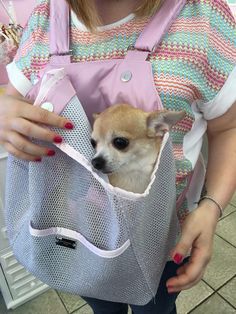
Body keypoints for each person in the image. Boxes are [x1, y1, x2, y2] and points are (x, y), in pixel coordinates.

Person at [0, 0, 235, 313]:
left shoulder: (202, 17)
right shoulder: (44, 18)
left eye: (120, 143)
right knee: (104, 308)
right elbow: (11, 100)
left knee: (155, 308)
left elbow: (228, 128)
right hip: (80, 233)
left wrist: (212, 205)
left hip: (165, 237)